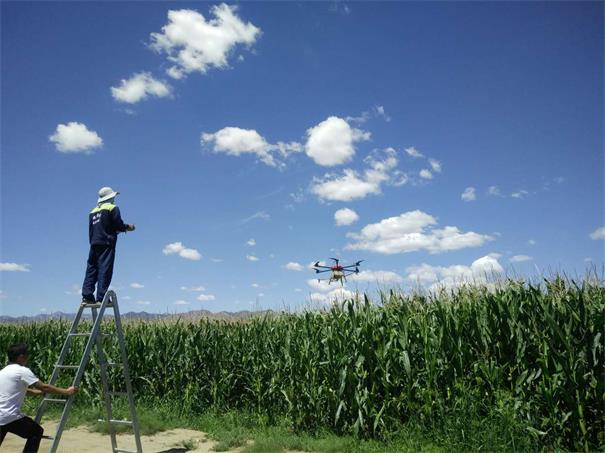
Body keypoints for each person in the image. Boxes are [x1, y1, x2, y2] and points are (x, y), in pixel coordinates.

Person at [0, 343, 78, 452]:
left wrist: (38, 393)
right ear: (21, 357)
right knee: (36, 431)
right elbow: (44, 387)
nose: (28, 357)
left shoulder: (3, 372)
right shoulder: (22, 371)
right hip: (9, 416)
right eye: (27, 355)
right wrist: (66, 391)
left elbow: (22, 391)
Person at [81, 186, 135, 304]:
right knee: (105, 268)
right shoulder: (112, 208)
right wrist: (127, 227)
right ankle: (101, 297)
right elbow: (118, 225)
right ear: (110, 197)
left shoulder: (93, 211)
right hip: (106, 243)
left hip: (94, 243)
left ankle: (87, 295)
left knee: (92, 268)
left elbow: (91, 229)